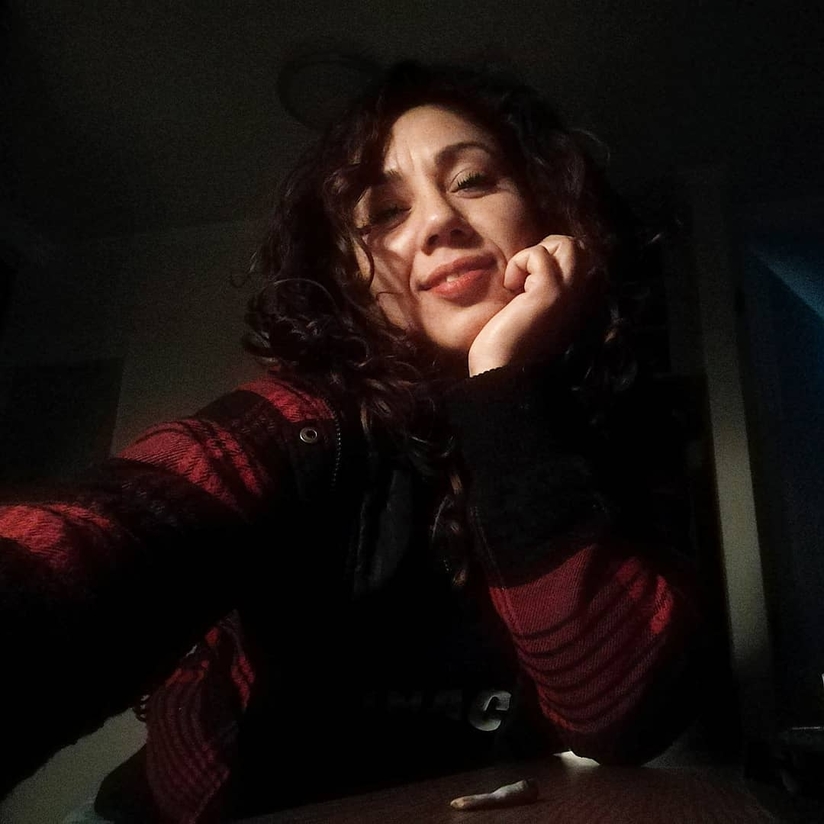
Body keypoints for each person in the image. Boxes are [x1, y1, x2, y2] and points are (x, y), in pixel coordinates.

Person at [0, 61, 705, 822]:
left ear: (544, 211)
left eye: (473, 181)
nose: (438, 222)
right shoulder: (306, 425)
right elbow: (117, 525)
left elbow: (619, 716)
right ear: (355, 276)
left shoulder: (608, 442)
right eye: (385, 213)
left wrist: (501, 385)